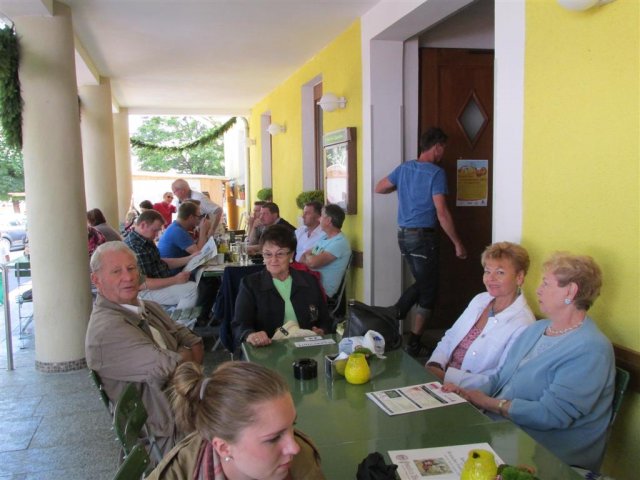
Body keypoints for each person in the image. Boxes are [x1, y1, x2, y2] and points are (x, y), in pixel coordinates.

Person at [444, 253, 615, 471]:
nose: (538, 290)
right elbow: (500, 378)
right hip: (505, 433)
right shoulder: (537, 329)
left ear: (570, 291)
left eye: (546, 283)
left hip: (546, 456)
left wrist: (489, 403)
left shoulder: (590, 349)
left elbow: (551, 415)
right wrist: (467, 393)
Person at [86, 242, 204, 455]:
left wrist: (183, 358)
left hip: (187, 409)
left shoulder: (147, 307)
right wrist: (184, 356)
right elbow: (176, 368)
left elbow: (195, 342)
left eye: (131, 268)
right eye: (116, 271)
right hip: (168, 435)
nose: (128, 277)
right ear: (96, 280)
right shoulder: (108, 329)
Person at [375, 127, 467, 357]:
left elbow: (380, 187)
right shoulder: (435, 173)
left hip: (404, 236)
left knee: (426, 285)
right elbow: (442, 212)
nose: (443, 152)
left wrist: (400, 187)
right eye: (443, 148)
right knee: (428, 287)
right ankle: (398, 316)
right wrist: (457, 242)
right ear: (436, 147)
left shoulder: (404, 168)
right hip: (423, 237)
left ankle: (409, 334)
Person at [147, 361, 325, 479]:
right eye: (273, 438)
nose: (294, 447)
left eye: (292, 425)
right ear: (224, 448)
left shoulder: (302, 461)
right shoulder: (177, 474)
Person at [425, 242, 535, 389]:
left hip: (471, 394)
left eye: (500, 272)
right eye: (487, 271)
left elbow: (501, 378)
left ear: (519, 277)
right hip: (439, 378)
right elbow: (451, 336)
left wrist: (446, 377)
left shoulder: (524, 323)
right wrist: (435, 364)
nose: (490, 278)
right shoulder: (480, 299)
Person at [232, 225, 331, 349]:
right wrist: (250, 335)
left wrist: (322, 330)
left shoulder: (309, 281)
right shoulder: (250, 284)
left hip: (307, 348)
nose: (274, 260)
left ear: (291, 255)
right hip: (267, 351)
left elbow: (325, 320)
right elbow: (239, 325)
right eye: (268, 254)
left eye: (280, 254)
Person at [124, 210, 199, 312]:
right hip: (143, 292)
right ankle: (179, 321)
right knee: (191, 290)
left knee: (190, 286)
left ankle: (177, 319)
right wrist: (175, 280)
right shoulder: (135, 246)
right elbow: (142, 283)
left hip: (154, 285)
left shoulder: (144, 239)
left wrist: (190, 258)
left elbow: (160, 263)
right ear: (143, 225)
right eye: (155, 230)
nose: (157, 235)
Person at [299, 204, 351, 298]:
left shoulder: (339, 242)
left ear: (328, 220)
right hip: (310, 285)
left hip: (321, 292)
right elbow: (302, 257)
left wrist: (310, 257)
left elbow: (313, 263)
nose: (319, 219)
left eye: (322, 216)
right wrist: (310, 258)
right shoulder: (324, 238)